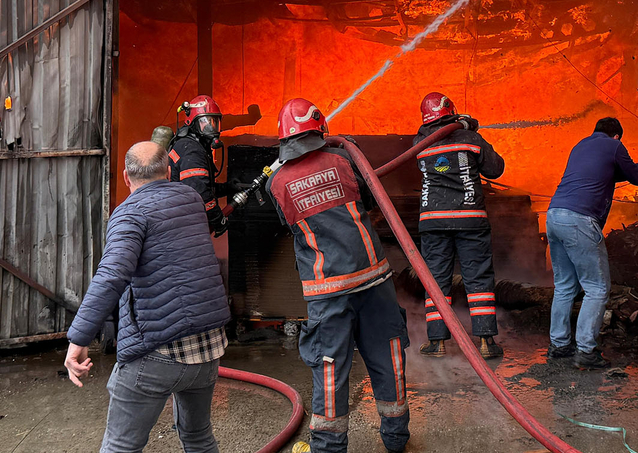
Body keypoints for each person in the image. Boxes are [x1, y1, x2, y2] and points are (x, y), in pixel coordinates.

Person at [64, 141, 231, 453]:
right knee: (198, 439)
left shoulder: (129, 213)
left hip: (158, 352)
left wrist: (78, 340)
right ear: (168, 172)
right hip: (208, 348)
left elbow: (112, 275)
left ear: (127, 177)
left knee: (120, 446)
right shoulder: (191, 198)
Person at [265, 98, 410, 453]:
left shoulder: (276, 182)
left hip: (327, 290)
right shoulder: (345, 159)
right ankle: (395, 438)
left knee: (329, 367)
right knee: (388, 354)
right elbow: (372, 202)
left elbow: (290, 226)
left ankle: (329, 446)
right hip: (373, 278)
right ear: (320, 129)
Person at [546, 117, 638, 370]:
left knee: (564, 286)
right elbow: (634, 177)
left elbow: (608, 173)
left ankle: (559, 345)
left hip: (554, 215)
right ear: (616, 136)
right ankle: (586, 350)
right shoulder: (614, 146)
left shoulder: (580, 146)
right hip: (579, 220)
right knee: (596, 288)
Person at [411, 92, 506, 359]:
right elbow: (495, 169)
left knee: (436, 281)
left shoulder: (420, 142)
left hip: (432, 221)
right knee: (478, 278)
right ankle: (486, 341)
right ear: (451, 111)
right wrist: (471, 131)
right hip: (470, 219)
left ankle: (437, 342)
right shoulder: (471, 139)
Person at [168, 95, 229, 235]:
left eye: (215, 122)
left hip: (182, 219)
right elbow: (199, 192)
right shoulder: (192, 150)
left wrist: (228, 187)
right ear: (193, 123)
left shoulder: (190, 145)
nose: (211, 127)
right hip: (184, 225)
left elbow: (202, 185)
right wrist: (217, 218)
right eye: (206, 122)